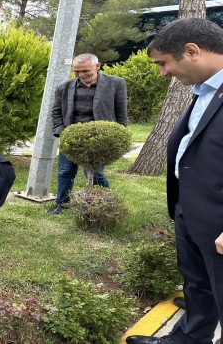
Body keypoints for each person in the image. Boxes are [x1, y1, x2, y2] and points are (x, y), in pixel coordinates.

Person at [125, 18, 223, 344]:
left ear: (192, 51)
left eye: (163, 63)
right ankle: (187, 339)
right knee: (197, 284)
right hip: (190, 209)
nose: (162, 73)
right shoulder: (205, 90)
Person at [48, 53, 128, 215]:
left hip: (100, 140)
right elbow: (56, 112)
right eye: (77, 72)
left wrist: (119, 136)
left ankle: (106, 202)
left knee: (95, 172)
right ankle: (61, 204)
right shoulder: (64, 87)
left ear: (97, 67)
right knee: (65, 172)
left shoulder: (116, 83)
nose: (81, 75)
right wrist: (62, 133)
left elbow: (121, 113)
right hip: (71, 138)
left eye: (86, 71)